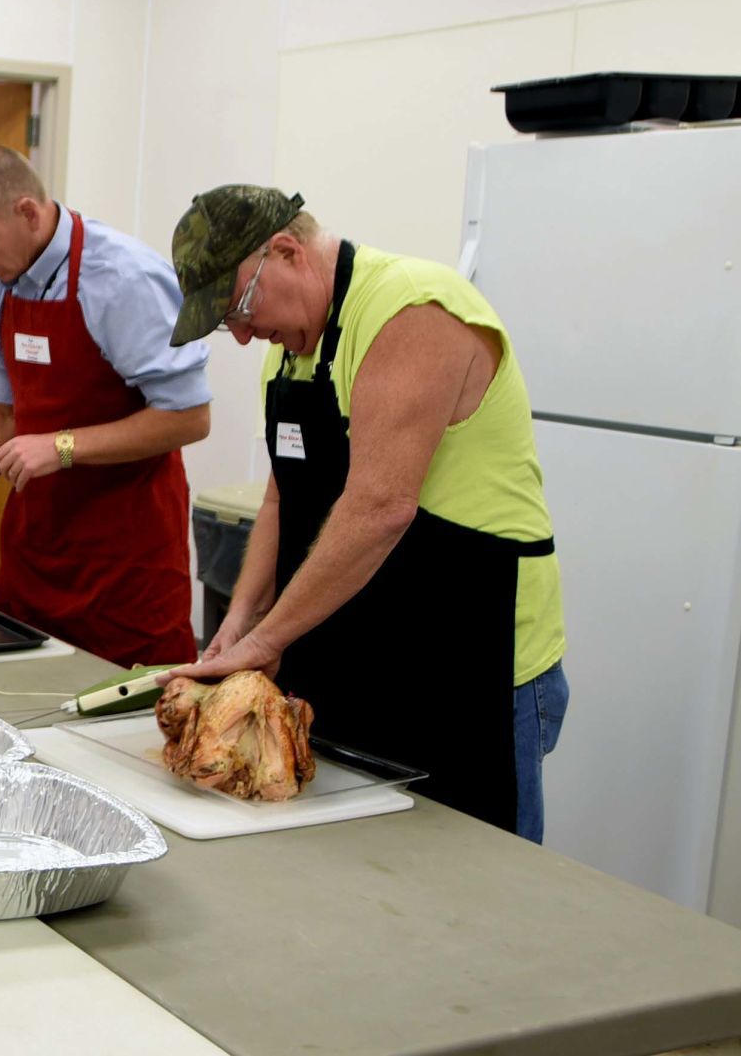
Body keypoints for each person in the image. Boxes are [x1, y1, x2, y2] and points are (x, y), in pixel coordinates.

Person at [160, 184, 569, 840]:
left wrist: (268, 638)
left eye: (237, 307)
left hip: (470, 665)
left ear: (287, 251)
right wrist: (239, 621)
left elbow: (379, 506)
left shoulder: (411, 309)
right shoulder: (291, 347)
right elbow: (280, 496)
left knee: (481, 894)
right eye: (222, 323)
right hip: (360, 661)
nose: (239, 336)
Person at [0, 145, 211, 667]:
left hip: (127, 564)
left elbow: (188, 416)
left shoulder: (123, 278)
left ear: (27, 211)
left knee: (126, 730)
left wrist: (63, 447)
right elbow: (2, 411)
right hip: (37, 552)